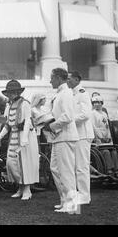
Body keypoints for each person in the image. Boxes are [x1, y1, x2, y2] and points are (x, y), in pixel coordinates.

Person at [0, 80, 39, 201]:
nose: (11, 94)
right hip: (13, 136)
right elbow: (8, 125)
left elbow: (27, 121)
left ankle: (27, 189)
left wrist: (24, 139)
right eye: (9, 92)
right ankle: (20, 187)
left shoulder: (25, 104)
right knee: (11, 163)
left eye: (13, 92)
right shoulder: (9, 105)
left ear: (18, 92)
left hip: (25, 136)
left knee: (24, 163)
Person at [46, 68, 79, 213]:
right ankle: (64, 200)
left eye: (52, 78)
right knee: (55, 169)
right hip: (59, 137)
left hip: (65, 137)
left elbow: (67, 117)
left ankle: (72, 205)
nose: (50, 81)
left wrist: (51, 126)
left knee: (66, 171)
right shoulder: (60, 93)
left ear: (59, 78)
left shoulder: (66, 93)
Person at [67, 71, 94, 205]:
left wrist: (69, 121)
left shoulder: (83, 93)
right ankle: (80, 194)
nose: (67, 81)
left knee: (82, 166)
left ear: (77, 79)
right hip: (76, 134)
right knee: (76, 166)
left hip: (83, 134)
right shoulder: (72, 93)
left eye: (69, 78)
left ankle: (84, 196)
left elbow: (85, 115)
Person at [91, 96, 118, 176]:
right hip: (98, 139)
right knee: (105, 152)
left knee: (113, 151)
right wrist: (98, 138)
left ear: (101, 103)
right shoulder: (92, 114)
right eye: (95, 103)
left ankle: (116, 169)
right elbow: (94, 127)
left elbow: (107, 127)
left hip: (107, 138)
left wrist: (109, 138)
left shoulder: (104, 114)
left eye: (98, 102)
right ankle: (109, 169)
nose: (97, 104)